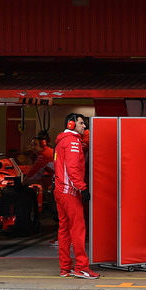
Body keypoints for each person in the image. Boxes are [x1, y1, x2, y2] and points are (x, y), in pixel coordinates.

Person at [54, 113, 98, 279]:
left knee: (64, 230)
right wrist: (83, 188)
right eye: (81, 123)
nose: (84, 126)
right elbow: (73, 169)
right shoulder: (72, 141)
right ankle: (82, 267)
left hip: (60, 191)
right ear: (72, 124)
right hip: (70, 192)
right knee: (78, 229)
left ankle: (65, 268)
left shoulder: (61, 141)